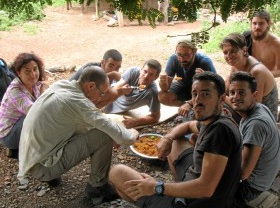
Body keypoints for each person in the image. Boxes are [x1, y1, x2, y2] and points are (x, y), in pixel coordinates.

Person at [109, 71, 242, 208]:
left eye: (206, 94)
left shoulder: (220, 131)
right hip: (198, 182)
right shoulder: (216, 118)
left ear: (221, 99)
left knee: (117, 173)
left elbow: (206, 189)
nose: (198, 100)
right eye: (195, 94)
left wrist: (157, 187)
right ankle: (175, 188)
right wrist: (168, 138)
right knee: (176, 140)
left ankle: (161, 200)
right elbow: (189, 125)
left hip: (195, 202)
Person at [18, 66, 139, 206]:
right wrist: (132, 134)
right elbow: (123, 137)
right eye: (101, 93)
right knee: (103, 135)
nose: (101, 97)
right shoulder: (79, 103)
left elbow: (85, 123)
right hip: (41, 167)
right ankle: (97, 188)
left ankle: (52, 176)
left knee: (93, 129)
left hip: (31, 156)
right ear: (91, 86)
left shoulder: (62, 85)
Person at [228, 71, 280, 206]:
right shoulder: (260, 107)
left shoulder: (256, 124)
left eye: (242, 92)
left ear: (254, 95)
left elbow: (242, 173)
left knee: (208, 193)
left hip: (252, 187)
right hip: (264, 178)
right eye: (232, 92)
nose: (235, 97)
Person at [0, 53, 48, 159]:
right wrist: (44, 93)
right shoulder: (15, 91)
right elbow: (36, 112)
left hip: (20, 126)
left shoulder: (35, 85)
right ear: (19, 73)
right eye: (27, 71)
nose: (33, 74)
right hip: (8, 135)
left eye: (35, 69)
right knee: (35, 117)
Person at [220, 32, 278, 120]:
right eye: (225, 52)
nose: (229, 56)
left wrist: (220, 96)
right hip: (243, 110)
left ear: (244, 50)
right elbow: (226, 90)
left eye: (233, 51)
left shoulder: (257, 72)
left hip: (260, 119)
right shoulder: (236, 66)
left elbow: (251, 108)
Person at [158, 39, 216, 117]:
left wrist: (205, 80)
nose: (182, 59)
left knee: (208, 98)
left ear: (194, 51)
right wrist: (163, 83)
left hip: (200, 91)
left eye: (186, 55)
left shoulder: (205, 62)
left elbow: (215, 89)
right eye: (179, 55)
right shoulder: (174, 59)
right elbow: (164, 89)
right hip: (183, 86)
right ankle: (189, 107)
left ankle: (193, 106)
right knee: (162, 96)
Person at [103, 59, 161, 129]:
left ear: (156, 77)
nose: (146, 76)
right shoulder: (133, 71)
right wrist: (121, 91)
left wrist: (136, 121)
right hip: (107, 95)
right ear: (141, 70)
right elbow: (113, 90)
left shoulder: (152, 93)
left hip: (119, 109)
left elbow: (156, 117)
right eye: (145, 71)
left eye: (151, 74)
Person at [243, 10, 280, 78]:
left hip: (266, 81)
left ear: (268, 23)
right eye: (254, 23)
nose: (257, 27)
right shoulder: (245, 38)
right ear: (251, 23)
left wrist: (258, 76)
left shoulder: (277, 44)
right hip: (245, 80)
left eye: (261, 23)